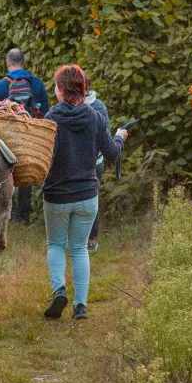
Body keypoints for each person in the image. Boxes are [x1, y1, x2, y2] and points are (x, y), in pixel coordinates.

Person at [40, 64, 125, 321]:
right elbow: (112, 153)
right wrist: (120, 136)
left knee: (55, 244)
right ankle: (81, 306)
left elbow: (42, 158)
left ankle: (59, 291)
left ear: (61, 90)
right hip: (87, 195)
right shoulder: (97, 118)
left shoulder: (50, 120)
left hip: (56, 195)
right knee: (79, 249)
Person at [0, 48, 49, 224]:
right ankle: (25, 214)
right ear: (24, 62)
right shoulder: (36, 84)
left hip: (6, 136)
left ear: (8, 63)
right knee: (26, 170)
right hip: (29, 134)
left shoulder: (0, 86)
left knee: (5, 171)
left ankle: (9, 211)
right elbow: (44, 113)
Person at [84, 87, 110, 252]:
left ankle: (85, 238)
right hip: (97, 161)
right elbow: (106, 135)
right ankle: (91, 239)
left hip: (84, 162)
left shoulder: (68, 107)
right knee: (92, 199)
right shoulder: (100, 106)